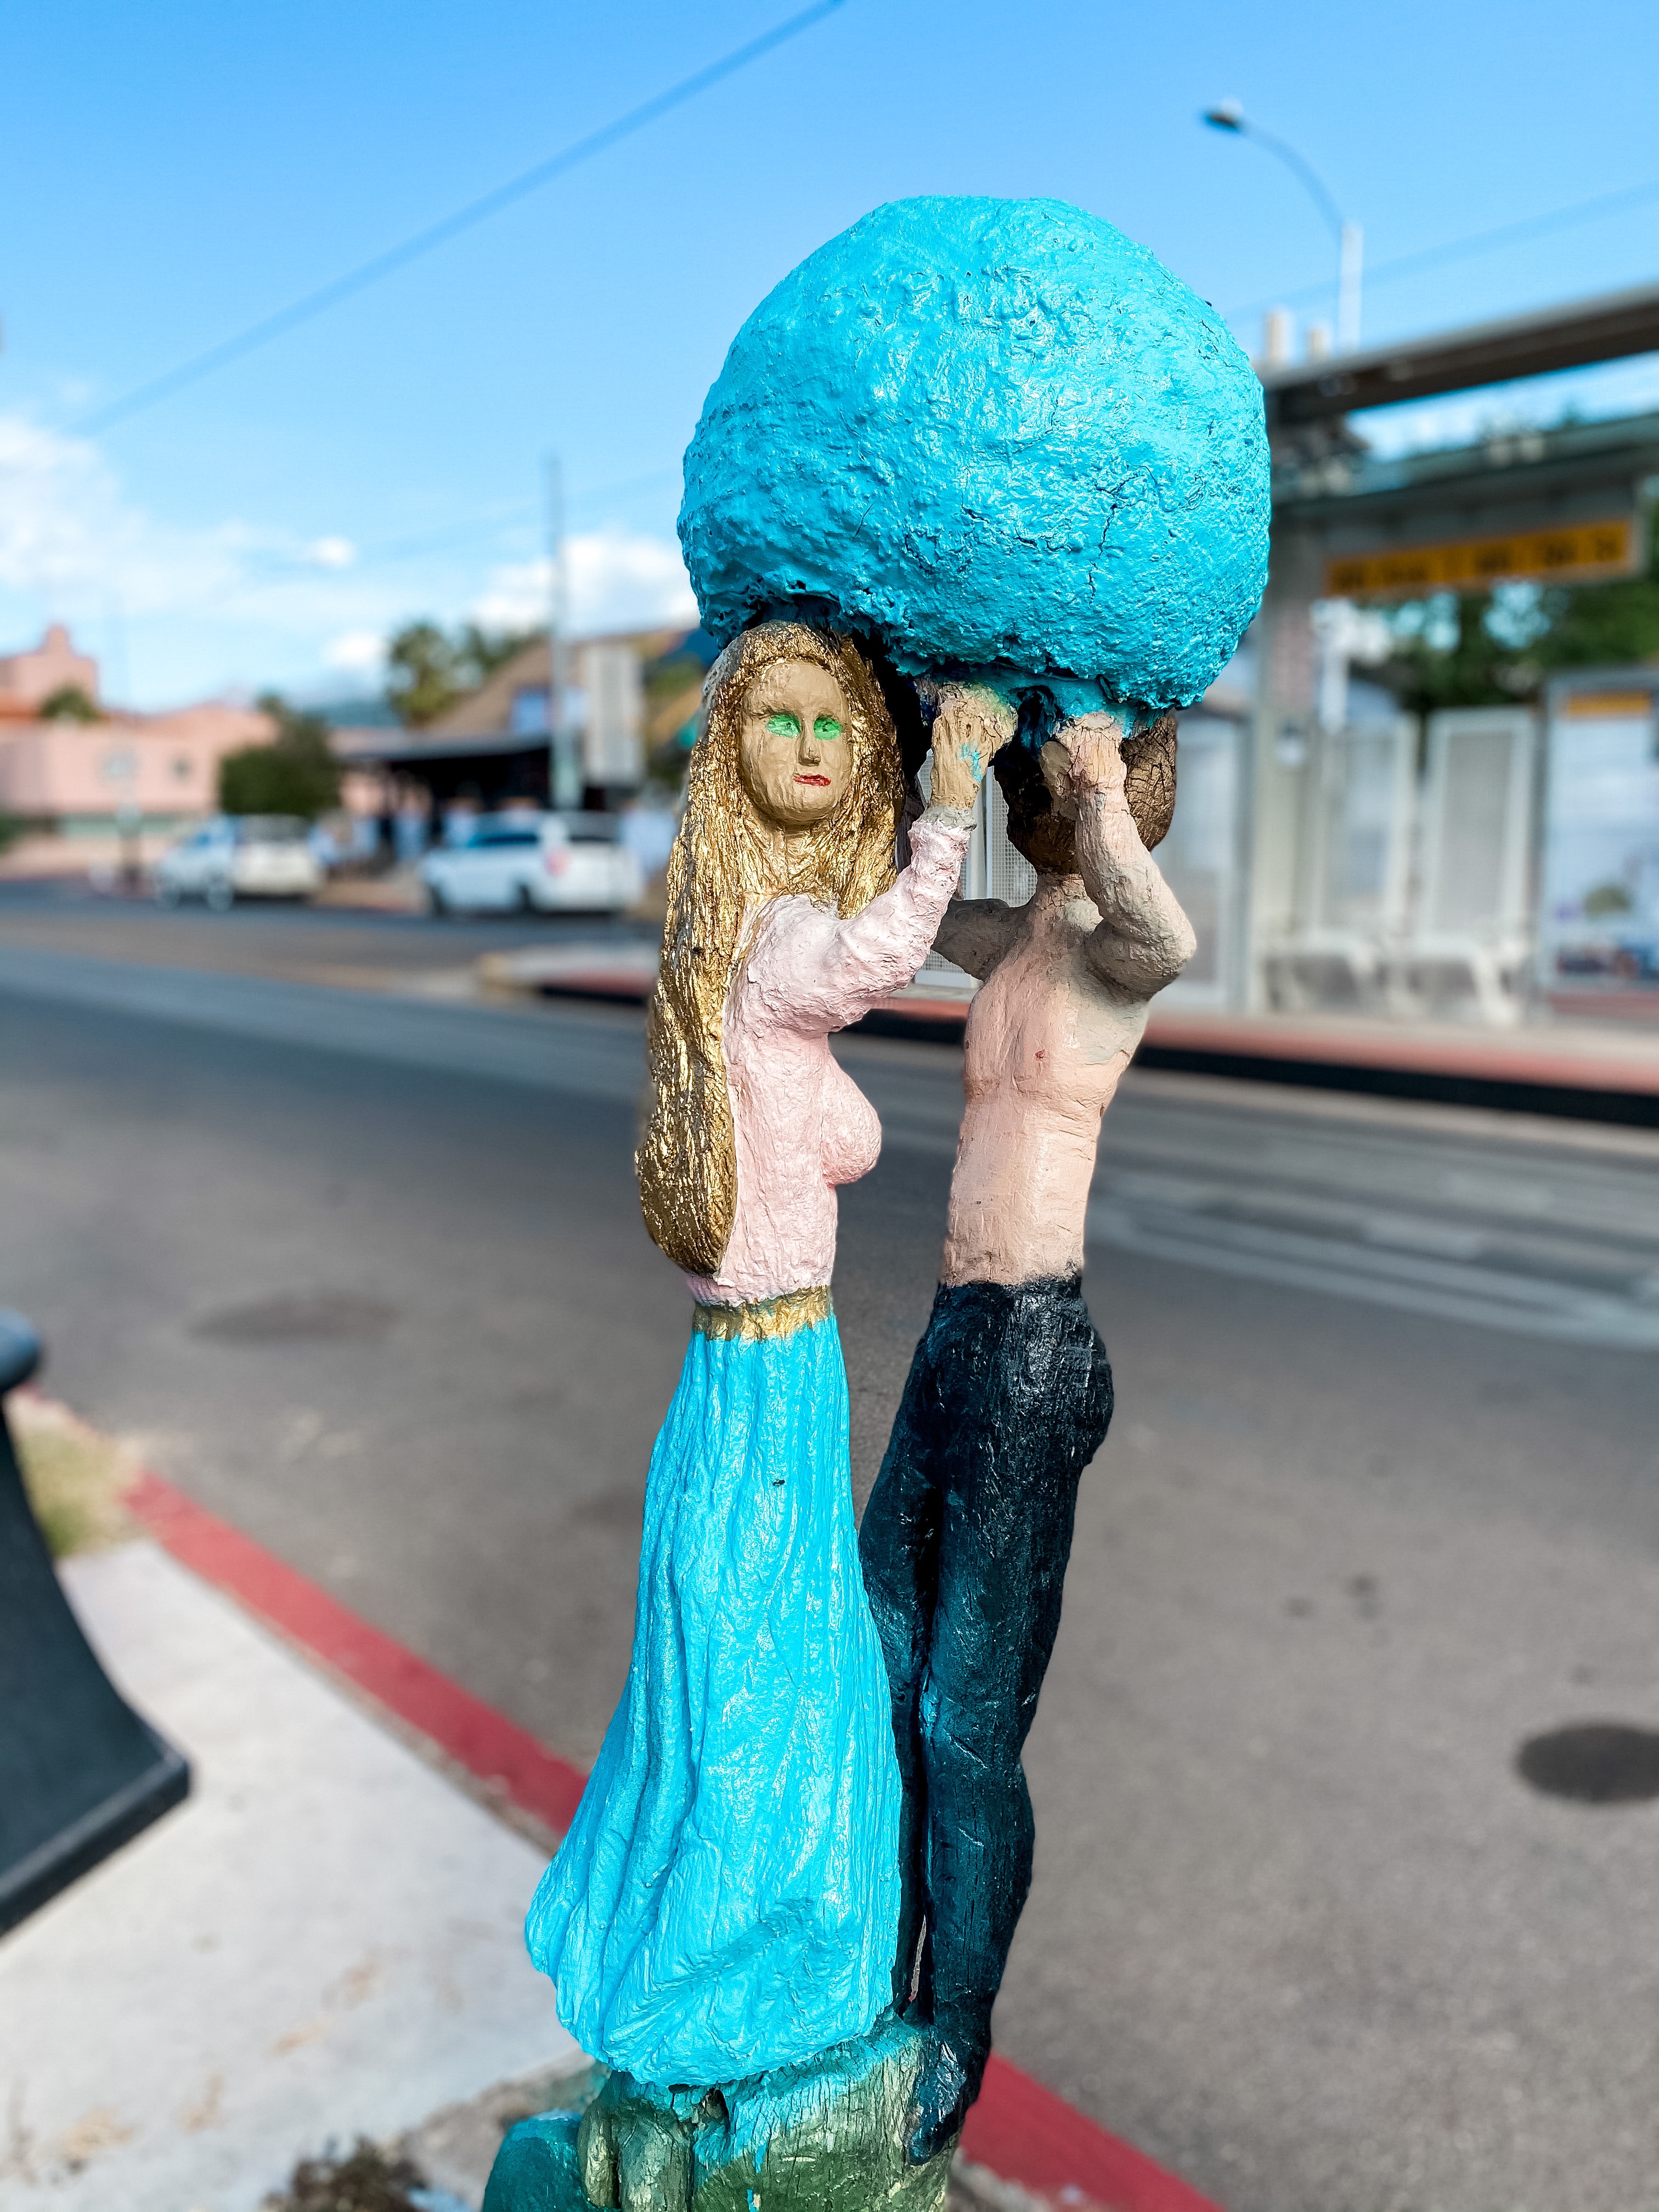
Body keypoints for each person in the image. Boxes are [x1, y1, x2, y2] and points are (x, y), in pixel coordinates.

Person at [525, 618, 1012, 2096]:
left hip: (761, 1363)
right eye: (779, 719)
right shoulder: (778, 940)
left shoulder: (739, 927)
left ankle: (732, 1918)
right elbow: (872, 959)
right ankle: (748, 1944)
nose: (808, 746)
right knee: (767, 1654)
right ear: (728, 743)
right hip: (769, 1368)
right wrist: (951, 802)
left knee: (752, 1637)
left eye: (834, 727)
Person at [859, 706, 1195, 2159]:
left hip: (1034, 1350)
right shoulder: (1021, 938)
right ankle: (870, 1954)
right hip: (955, 1337)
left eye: (1047, 768)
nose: (1033, 783)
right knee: (877, 1644)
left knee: (967, 1721)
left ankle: (956, 2024)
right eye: (1036, 768)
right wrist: (923, 758)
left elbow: (1168, 936)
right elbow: (916, 901)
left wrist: (1103, 786)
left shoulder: (1117, 951)